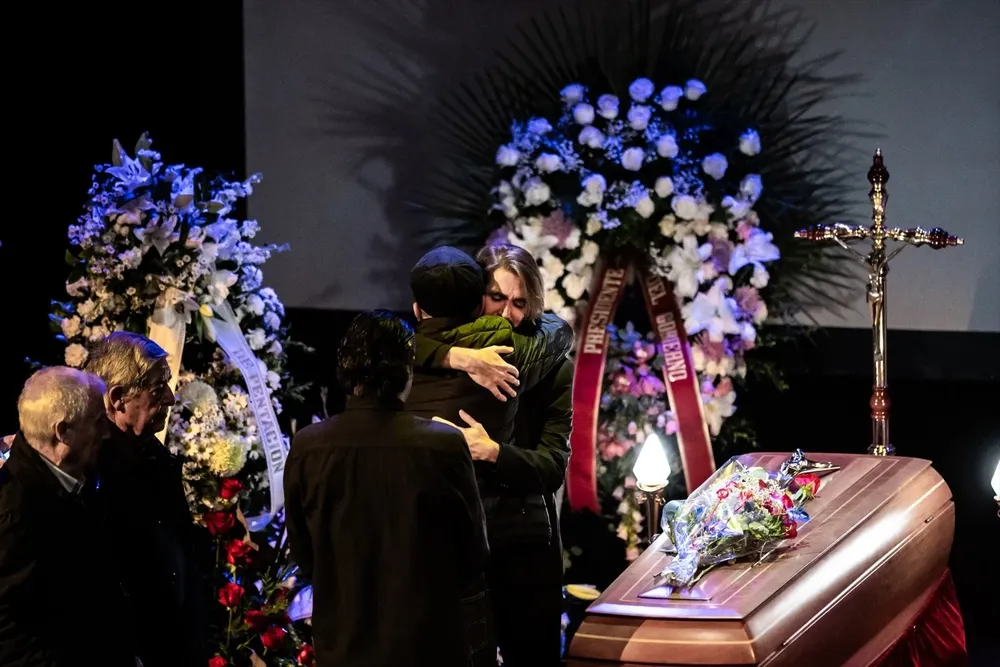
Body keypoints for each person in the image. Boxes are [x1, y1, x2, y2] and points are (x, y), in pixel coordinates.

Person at [284, 310, 488, 667]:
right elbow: (472, 556)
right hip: (429, 645)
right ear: (406, 371)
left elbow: (304, 554)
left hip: (344, 646)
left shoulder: (307, 447)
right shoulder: (444, 445)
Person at [406, 245, 573, 665]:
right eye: (496, 298)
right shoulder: (441, 345)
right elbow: (388, 344)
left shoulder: (547, 358)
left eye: (519, 303)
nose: (505, 314)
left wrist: (493, 451)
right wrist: (459, 356)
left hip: (522, 533)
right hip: (455, 537)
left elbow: (553, 465)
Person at [0, 366, 136, 667]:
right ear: (62, 431)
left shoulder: (76, 477)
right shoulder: (14, 512)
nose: (106, 432)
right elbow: (10, 635)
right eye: (97, 421)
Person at [84, 332, 207, 667]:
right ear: (118, 397)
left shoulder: (152, 455)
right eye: (157, 387)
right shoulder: (92, 473)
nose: (169, 398)